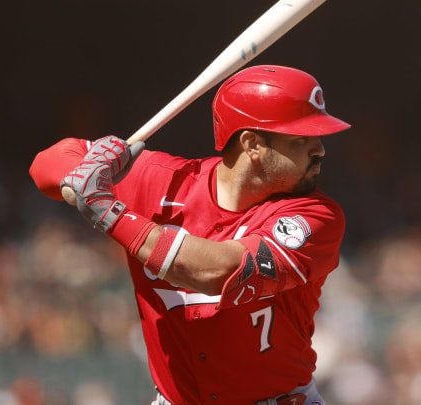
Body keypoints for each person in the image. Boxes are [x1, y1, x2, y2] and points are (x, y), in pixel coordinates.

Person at [29, 65, 350, 405]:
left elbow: (216, 272)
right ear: (252, 144)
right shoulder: (162, 180)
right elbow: (44, 164)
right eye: (302, 139)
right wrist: (89, 166)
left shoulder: (317, 217)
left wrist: (110, 213)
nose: (320, 150)